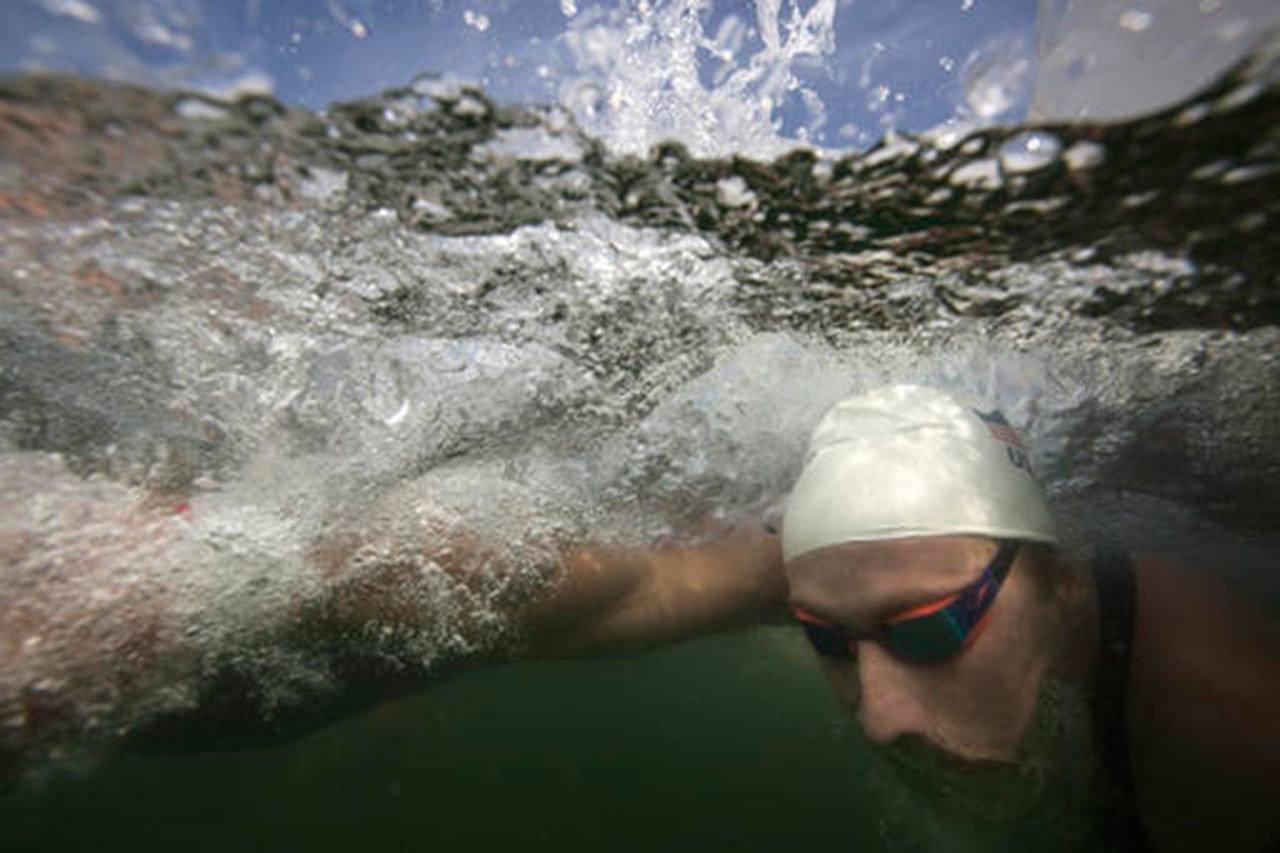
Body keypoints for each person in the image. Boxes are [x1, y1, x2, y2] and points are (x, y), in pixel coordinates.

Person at [2, 385, 1277, 852]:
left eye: (931, 630)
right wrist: (234, 574)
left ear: (1057, 585)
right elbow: (630, 587)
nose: (879, 713)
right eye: (826, 642)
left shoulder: (1230, 734)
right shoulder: (865, 576)